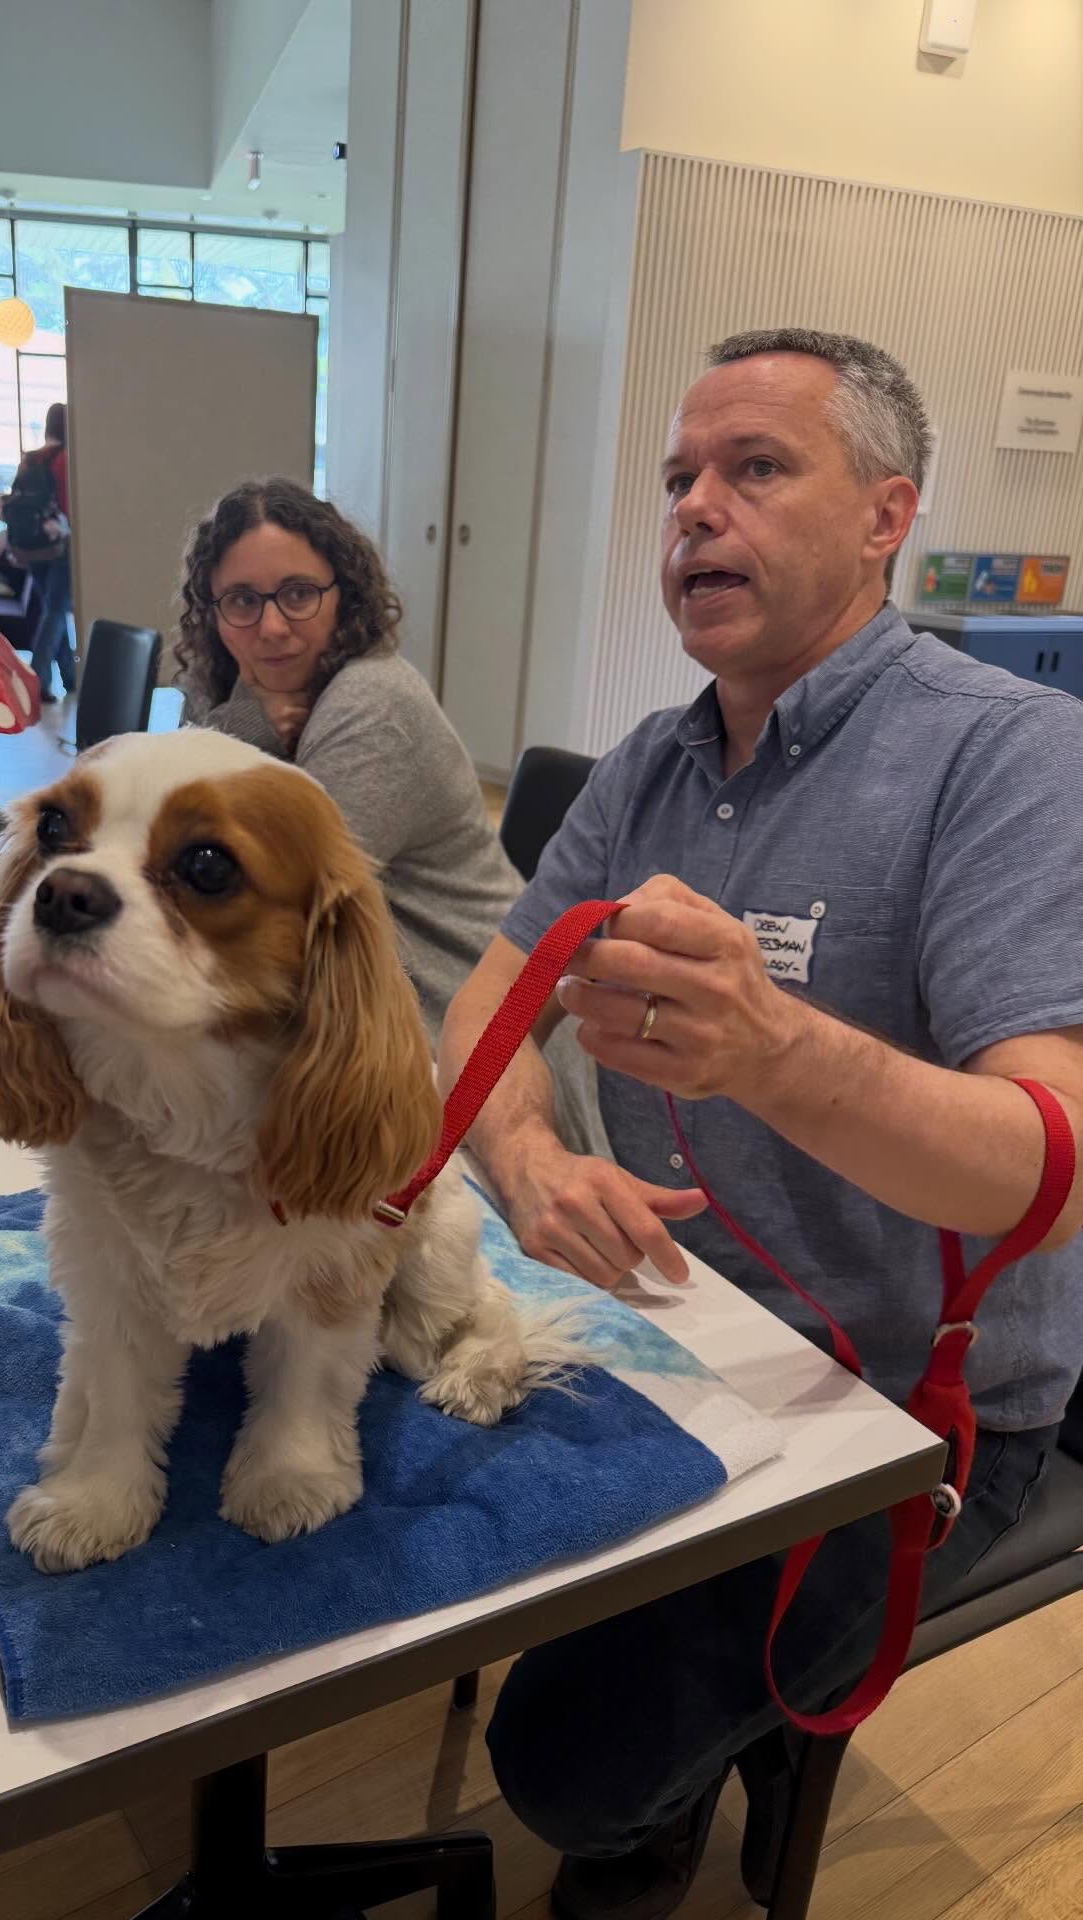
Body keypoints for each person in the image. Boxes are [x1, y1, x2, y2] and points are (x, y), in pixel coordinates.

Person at [438, 329, 1083, 1918]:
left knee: (563, 1762)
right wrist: (524, 1160)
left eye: (754, 469)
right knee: (390, 1530)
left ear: (887, 515)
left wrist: (778, 1050)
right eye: (676, 482)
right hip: (689, 1331)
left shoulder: (1010, 756)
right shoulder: (654, 761)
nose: (694, 515)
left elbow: (1050, 1174)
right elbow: (484, 1008)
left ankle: (664, 1804)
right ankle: (698, 1770)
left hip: (912, 1417)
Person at [177, 476, 607, 1155]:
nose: (271, 627)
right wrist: (245, 723)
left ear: (341, 592)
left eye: (297, 593)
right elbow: (180, 847)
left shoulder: (371, 703)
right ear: (212, 610)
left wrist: (241, 736)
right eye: (241, 601)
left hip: (466, 1045)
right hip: (355, 1026)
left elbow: (272, 911)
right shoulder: (226, 690)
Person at [2, 402, 73, 702]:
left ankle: (71, 677)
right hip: (57, 545)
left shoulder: (29, 460)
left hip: (30, 548)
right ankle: (37, 679)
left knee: (51, 610)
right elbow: (69, 507)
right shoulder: (64, 460)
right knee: (56, 611)